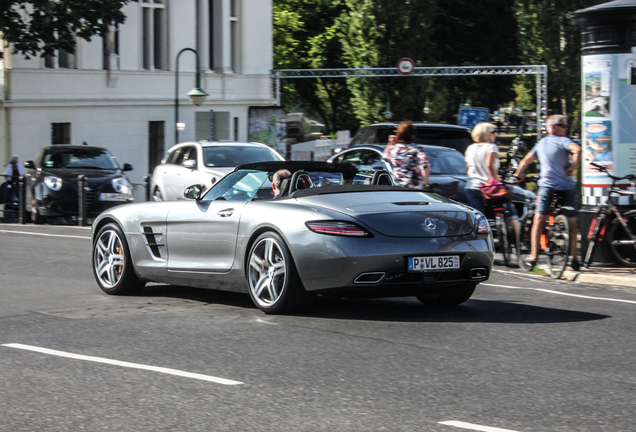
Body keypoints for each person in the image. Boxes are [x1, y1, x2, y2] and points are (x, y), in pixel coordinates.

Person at [514, 115, 582, 270]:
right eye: (563, 126)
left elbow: (526, 161)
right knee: (571, 221)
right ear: (553, 127)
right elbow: (577, 150)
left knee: (539, 219)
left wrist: (518, 173)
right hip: (567, 187)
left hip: (548, 186)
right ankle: (574, 258)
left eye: (566, 126)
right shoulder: (561, 141)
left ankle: (533, 256)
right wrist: (573, 167)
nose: (566, 129)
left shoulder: (544, 142)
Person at [464, 122, 520, 238]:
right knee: (509, 209)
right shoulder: (491, 147)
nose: (495, 135)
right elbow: (489, 165)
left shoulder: (470, 148)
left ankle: (477, 240)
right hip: (489, 187)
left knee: (478, 218)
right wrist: (497, 182)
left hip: (472, 186)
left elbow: (467, 167)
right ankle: (518, 241)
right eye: (493, 132)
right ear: (486, 134)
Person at [383, 120, 430, 189]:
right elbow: (425, 164)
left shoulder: (394, 149)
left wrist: (390, 143)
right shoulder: (417, 149)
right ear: (412, 136)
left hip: (397, 185)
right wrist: (426, 180)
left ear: (398, 135)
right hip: (414, 186)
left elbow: (385, 158)